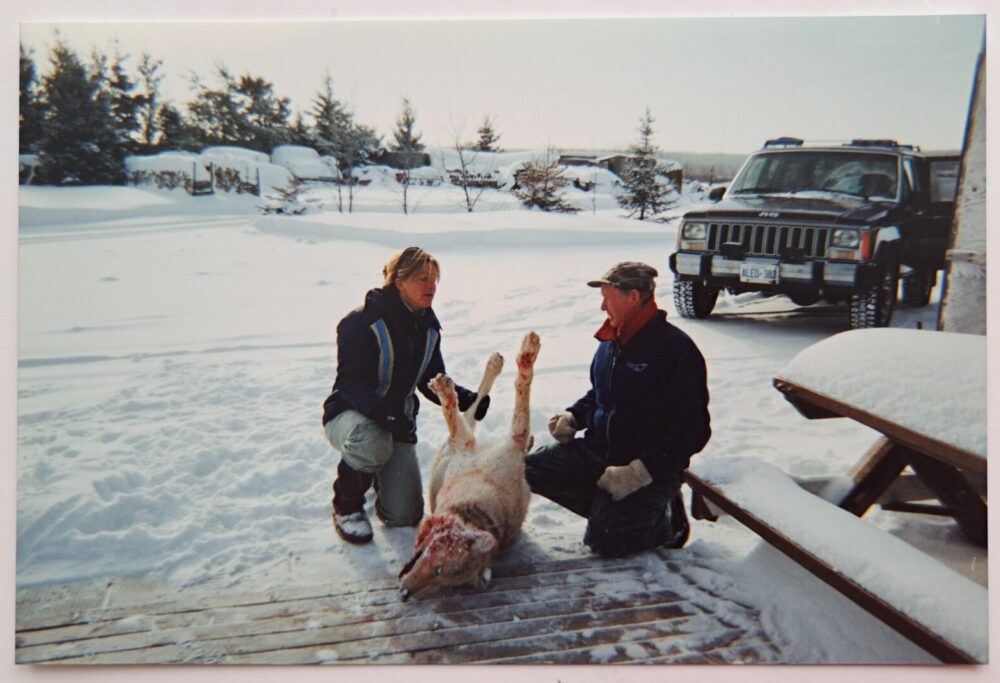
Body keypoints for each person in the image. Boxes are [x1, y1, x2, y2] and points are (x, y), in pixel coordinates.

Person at [524, 262, 710, 558]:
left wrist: (639, 472)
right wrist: (575, 416)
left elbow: (694, 430)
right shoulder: (611, 341)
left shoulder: (675, 349)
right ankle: (610, 508)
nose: (602, 306)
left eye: (608, 297)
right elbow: (600, 394)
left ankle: (665, 518)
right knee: (524, 470)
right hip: (598, 452)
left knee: (608, 541)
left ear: (633, 297)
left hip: (645, 466)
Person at [322, 247, 488, 544]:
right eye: (423, 279)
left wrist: (466, 400)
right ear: (400, 282)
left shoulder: (428, 328)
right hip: (349, 418)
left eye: (435, 279)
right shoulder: (360, 323)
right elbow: (350, 385)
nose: (431, 287)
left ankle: (373, 471)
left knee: (404, 516)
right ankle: (345, 507)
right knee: (372, 442)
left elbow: (431, 380)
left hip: (395, 425)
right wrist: (384, 413)